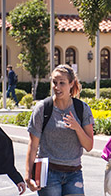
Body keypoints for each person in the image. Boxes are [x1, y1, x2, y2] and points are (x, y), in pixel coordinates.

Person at [25, 64, 94, 195]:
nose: (57, 87)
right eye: (54, 82)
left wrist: (77, 127)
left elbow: (89, 146)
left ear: (71, 83)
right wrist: (28, 175)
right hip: (49, 173)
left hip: (74, 174)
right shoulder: (43, 108)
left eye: (62, 83)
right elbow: (33, 145)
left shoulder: (82, 109)